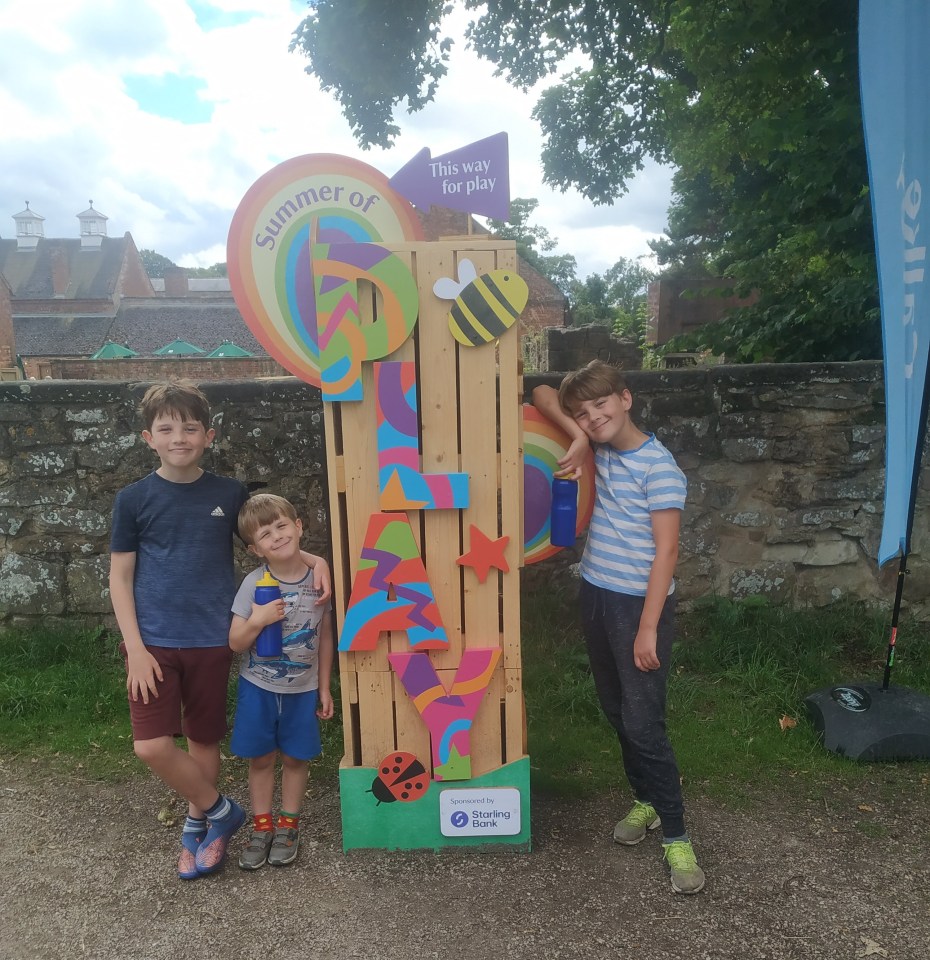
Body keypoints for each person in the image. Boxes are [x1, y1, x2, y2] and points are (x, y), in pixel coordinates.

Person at [109, 380, 331, 880]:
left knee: (203, 738)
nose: (179, 437)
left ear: (209, 435)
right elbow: (120, 576)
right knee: (151, 745)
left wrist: (318, 560)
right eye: (166, 428)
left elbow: (270, 537)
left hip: (212, 640)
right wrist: (136, 647)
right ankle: (222, 810)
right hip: (153, 643)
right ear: (149, 437)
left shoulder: (228, 493)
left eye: (189, 427)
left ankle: (199, 827)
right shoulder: (133, 498)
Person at [532, 360, 705, 895]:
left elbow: (668, 550)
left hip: (639, 608)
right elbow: (541, 391)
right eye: (584, 411)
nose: (594, 416)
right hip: (598, 596)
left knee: (644, 720)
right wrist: (579, 436)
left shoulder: (660, 468)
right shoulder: (600, 449)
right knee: (615, 710)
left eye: (602, 405)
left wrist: (649, 627)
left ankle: (677, 836)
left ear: (626, 399)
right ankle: (647, 799)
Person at [229, 493, 334, 870]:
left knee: (295, 757)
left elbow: (323, 637)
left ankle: (289, 825)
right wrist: (257, 620)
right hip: (258, 686)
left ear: (298, 526)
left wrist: (323, 686)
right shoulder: (253, 584)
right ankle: (262, 827)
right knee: (261, 758)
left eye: (281, 526)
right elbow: (235, 642)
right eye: (265, 534)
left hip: (302, 689)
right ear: (256, 549)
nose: (276, 536)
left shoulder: (320, 580)